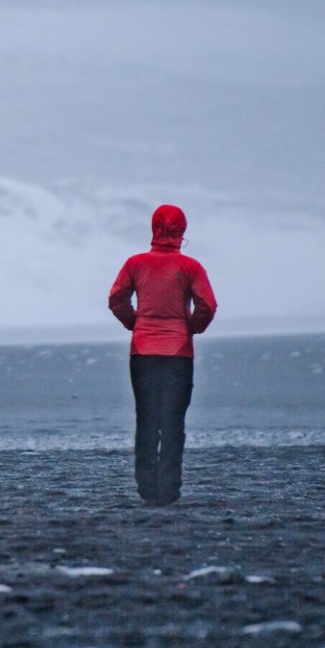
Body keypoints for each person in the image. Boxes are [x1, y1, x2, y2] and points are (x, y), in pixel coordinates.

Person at [108, 204, 216, 505]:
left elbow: (117, 298)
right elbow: (207, 305)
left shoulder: (135, 264)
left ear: (153, 228)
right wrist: (191, 328)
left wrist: (135, 322)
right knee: (173, 421)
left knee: (146, 418)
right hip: (178, 353)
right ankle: (168, 489)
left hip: (143, 350)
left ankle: (146, 488)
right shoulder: (190, 267)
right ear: (182, 230)